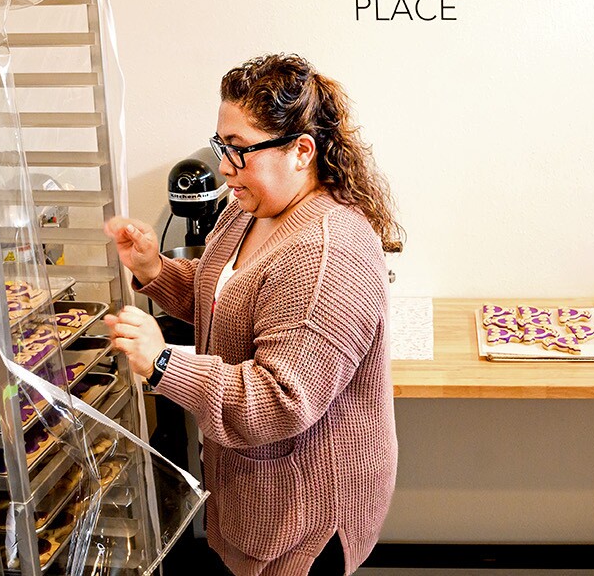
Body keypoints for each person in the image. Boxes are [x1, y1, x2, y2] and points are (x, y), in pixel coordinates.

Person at [104, 53, 402, 576]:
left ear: (300, 151)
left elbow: (280, 400)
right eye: (222, 146)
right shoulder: (249, 213)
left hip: (304, 517)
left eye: (239, 150)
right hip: (250, 495)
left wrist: (164, 363)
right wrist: (153, 269)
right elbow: (219, 300)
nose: (224, 167)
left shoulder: (327, 251)